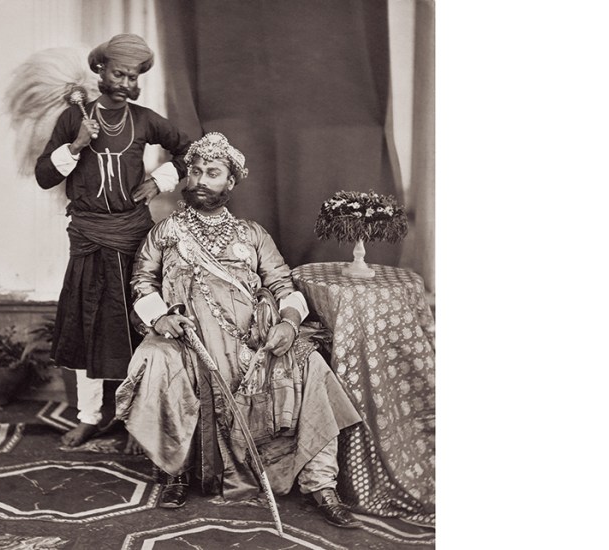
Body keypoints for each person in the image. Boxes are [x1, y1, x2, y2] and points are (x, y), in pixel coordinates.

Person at [115, 132, 364, 528]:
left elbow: (283, 285)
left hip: (249, 340)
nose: (200, 180)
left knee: (312, 364)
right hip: (187, 339)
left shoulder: (252, 234)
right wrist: (160, 318)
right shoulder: (166, 231)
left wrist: (288, 323)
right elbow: (142, 282)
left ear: (230, 182)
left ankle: (322, 486)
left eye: (212, 173)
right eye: (196, 171)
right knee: (156, 359)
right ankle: (176, 471)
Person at [34, 34, 192, 451]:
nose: (126, 83)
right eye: (119, 74)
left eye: (133, 77)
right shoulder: (73, 118)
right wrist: (76, 145)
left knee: (138, 324)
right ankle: (89, 417)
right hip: (88, 237)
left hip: (133, 238)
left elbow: (189, 151)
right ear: (101, 70)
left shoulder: (144, 120)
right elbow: (44, 176)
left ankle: (138, 417)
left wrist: (158, 181)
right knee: (87, 325)